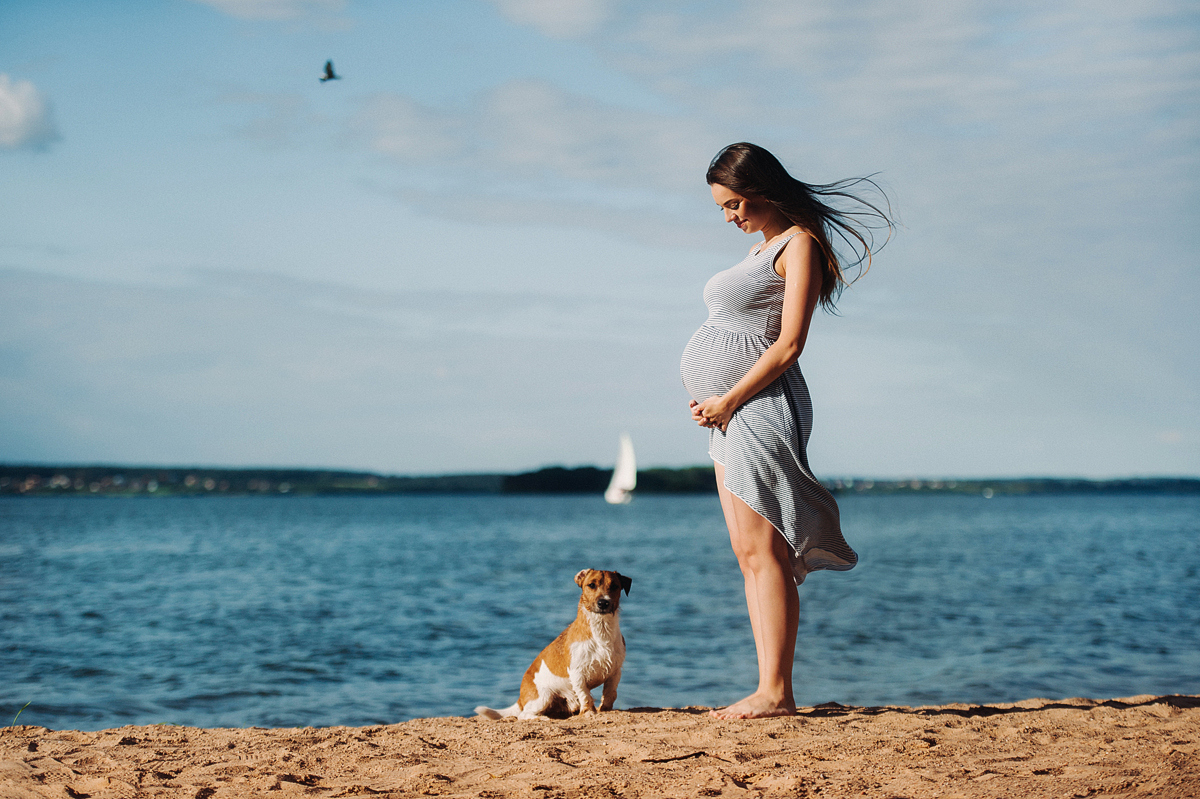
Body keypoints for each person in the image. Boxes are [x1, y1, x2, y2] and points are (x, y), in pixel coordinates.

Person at [679, 142, 892, 719]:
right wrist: (716, 404)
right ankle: (768, 686)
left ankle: (777, 692)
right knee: (747, 551)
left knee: (766, 550)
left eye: (735, 202)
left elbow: (790, 342)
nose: (729, 215)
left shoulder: (799, 245)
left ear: (764, 190)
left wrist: (728, 397)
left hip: (761, 406)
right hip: (730, 413)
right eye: (723, 207)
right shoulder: (761, 248)